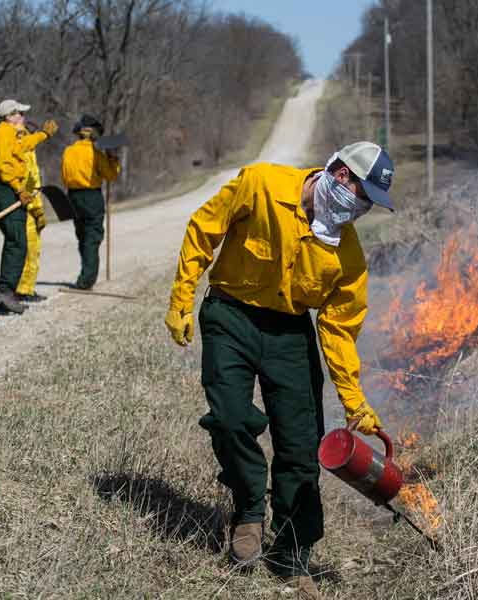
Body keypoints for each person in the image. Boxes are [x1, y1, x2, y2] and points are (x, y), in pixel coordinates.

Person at [165, 142, 395, 599]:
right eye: (363, 195)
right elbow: (203, 229)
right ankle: (249, 509)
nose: (362, 208)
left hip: (289, 333)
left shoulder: (346, 255)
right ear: (341, 175)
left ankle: (292, 555)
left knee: (301, 443)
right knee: (230, 419)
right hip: (230, 315)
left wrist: (355, 401)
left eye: (370, 203)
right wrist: (181, 297)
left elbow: (338, 330)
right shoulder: (263, 184)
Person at [0, 99, 57, 313]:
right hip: (4, 188)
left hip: (8, 187)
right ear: (10, 116)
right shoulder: (3, 133)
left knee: (17, 241)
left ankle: (4, 294)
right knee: (17, 240)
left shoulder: (12, 134)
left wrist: (43, 135)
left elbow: (24, 145)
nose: (24, 118)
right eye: (21, 114)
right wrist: (20, 189)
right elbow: (4, 164)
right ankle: (4, 291)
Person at [61, 114, 120, 290]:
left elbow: (64, 177)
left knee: (82, 235)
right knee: (92, 238)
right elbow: (111, 175)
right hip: (91, 196)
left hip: (72, 196)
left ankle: (85, 274)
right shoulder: (96, 154)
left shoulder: (68, 151)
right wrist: (113, 159)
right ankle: (87, 280)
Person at [15, 121, 47, 303]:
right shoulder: (26, 154)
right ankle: (24, 289)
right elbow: (30, 184)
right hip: (27, 209)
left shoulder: (28, 152)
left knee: (30, 250)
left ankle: (25, 287)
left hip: (26, 205)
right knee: (30, 250)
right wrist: (37, 211)